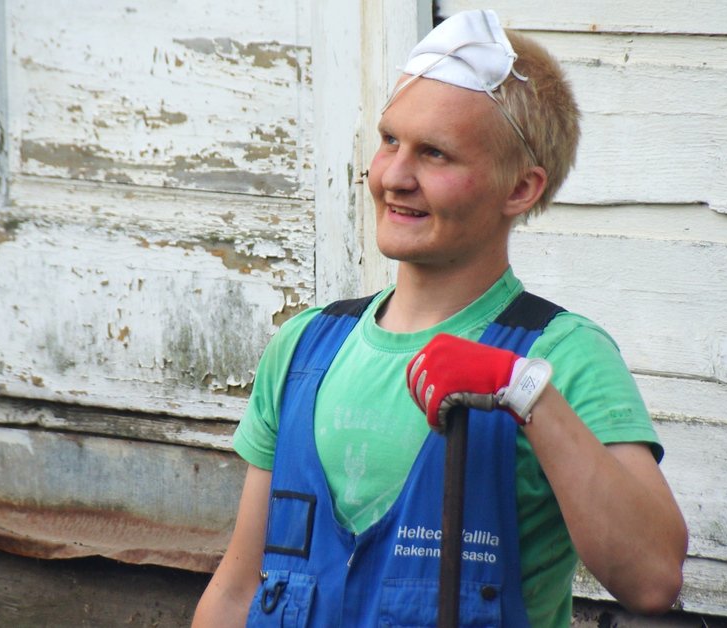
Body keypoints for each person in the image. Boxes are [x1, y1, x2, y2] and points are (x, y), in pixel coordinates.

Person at [193, 9, 687, 627]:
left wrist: (526, 391)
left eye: (435, 154)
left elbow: (652, 578)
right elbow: (238, 589)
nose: (394, 177)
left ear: (520, 189)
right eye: (390, 140)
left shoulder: (565, 356)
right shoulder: (303, 352)